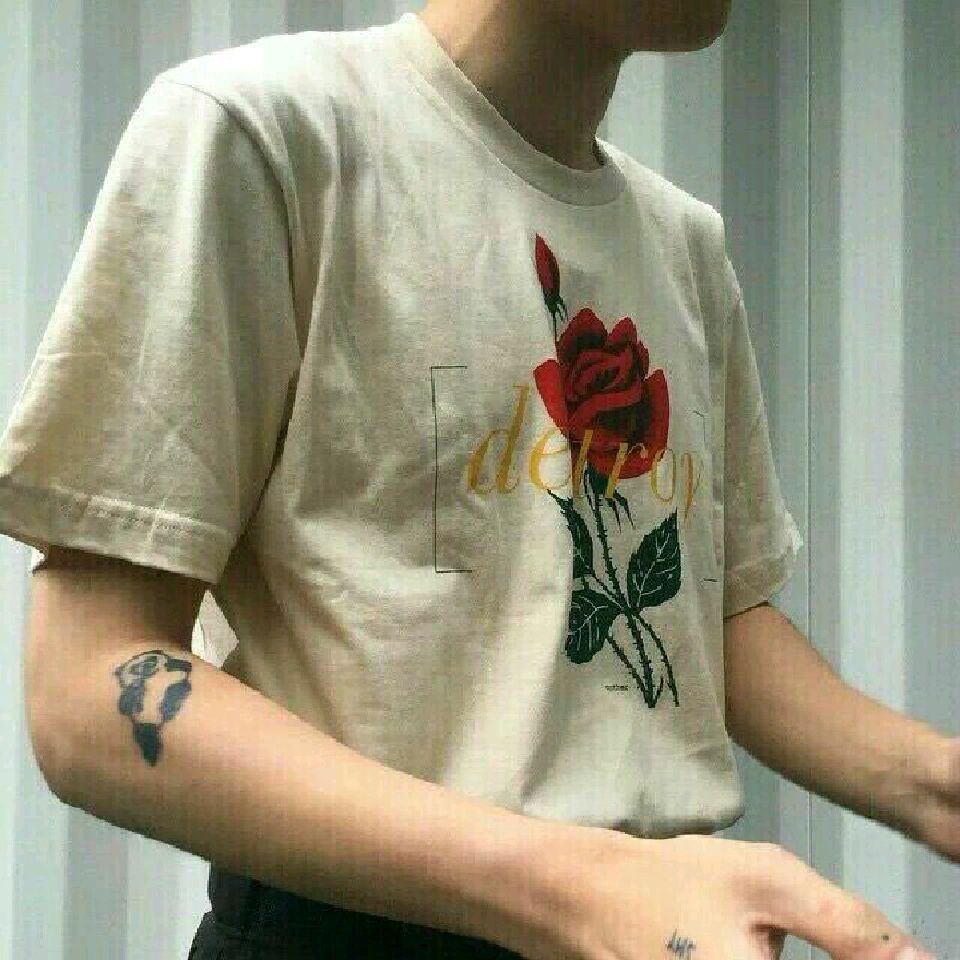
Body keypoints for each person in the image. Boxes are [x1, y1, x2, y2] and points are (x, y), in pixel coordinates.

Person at [0, 1, 955, 958]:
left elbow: (713, 615)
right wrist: (580, 889)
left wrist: (932, 780)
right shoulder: (267, 135)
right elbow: (87, 691)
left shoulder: (683, 244)